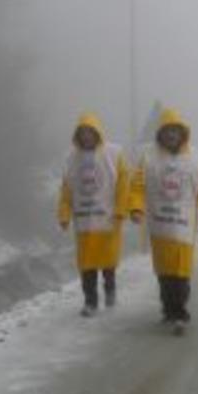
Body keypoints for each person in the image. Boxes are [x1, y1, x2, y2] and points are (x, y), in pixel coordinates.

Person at [129, 108, 198, 336]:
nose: (171, 136)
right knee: (164, 273)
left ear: (182, 134)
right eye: (167, 131)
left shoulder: (195, 158)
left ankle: (180, 314)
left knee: (181, 272)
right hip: (160, 226)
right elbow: (137, 185)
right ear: (161, 133)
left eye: (175, 132)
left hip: (184, 226)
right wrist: (136, 208)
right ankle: (168, 310)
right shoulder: (149, 156)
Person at [57, 112, 130, 317]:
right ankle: (90, 302)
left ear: (97, 133)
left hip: (107, 220)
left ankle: (110, 293)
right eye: (83, 133)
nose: (86, 136)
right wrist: (64, 214)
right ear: (77, 135)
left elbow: (124, 182)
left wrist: (121, 209)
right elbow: (66, 189)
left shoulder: (113, 154)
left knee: (108, 264)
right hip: (84, 222)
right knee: (87, 265)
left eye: (90, 132)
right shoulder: (71, 159)